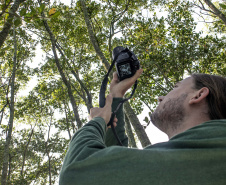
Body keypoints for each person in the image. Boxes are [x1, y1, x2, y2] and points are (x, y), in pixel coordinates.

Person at [59, 69, 226, 185]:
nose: (161, 97)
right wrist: (116, 97)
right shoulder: (198, 156)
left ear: (198, 94)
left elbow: (76, 173)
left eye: (175, 87)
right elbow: (115, 172)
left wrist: (97, 121)